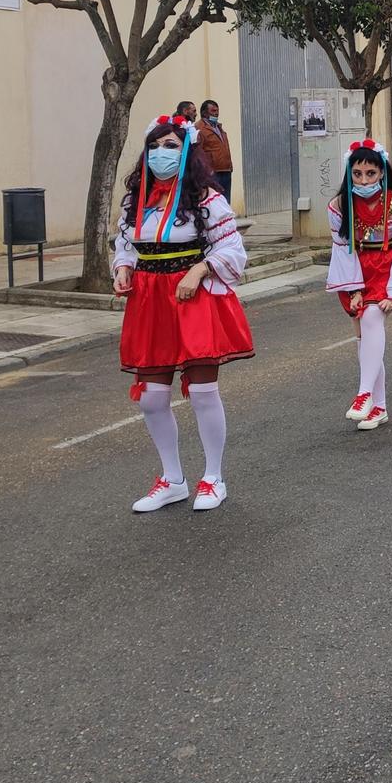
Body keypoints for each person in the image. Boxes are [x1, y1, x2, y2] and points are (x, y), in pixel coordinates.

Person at [114, 113, 254, 513]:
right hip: (150, 301)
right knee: (152, 399)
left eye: (171, 146)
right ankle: (172, 478)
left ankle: (213, 477)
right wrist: (123, 267)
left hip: (190, 298)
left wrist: (199, 269)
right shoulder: (135, 198)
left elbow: (231, 249)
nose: (161, 153)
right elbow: (125, 243)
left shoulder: (205, 198)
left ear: (187, 150)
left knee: (203, 391)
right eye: (155, 147)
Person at [325, 140, 392, 431]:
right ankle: (378, 406)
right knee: (363, 334)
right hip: (357, 269)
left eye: (370, 173)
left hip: (387, 266)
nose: (364, 179)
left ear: (382, 172)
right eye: (357, 173)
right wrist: (353, 289)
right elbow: (341, 247)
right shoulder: (339, 205)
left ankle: (363, 392)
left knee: (371, 318)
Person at [196, 98, 234, 200]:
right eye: (213, 111)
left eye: (217, 111)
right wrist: (207, 171)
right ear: (204, 112)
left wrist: (230, 167)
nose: (216, 113)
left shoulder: (218, 127)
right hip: (213, 173)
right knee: (214, 202)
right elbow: (198, 152)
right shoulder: (199, 128)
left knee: (225, 202)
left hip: (225, 170)